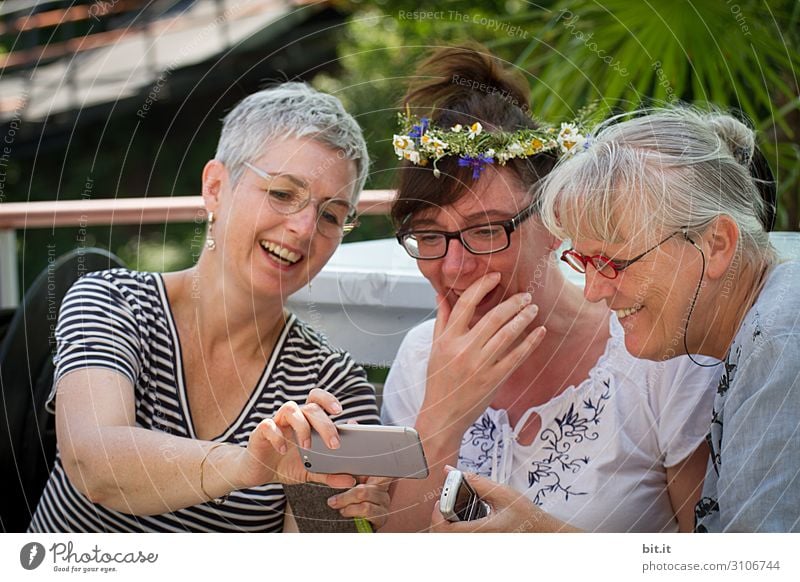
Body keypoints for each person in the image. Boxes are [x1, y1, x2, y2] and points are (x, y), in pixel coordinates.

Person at [380, 46, 721, 533]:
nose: (455, 267)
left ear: (552, 219)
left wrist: (546, 540)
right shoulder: (419, 359)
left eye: (486, 230)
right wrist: (440, 424)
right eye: (430, 235)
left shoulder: (656, 357)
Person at [28, 83, 391, 532]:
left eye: (332, 214)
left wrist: (331, 501)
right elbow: (94, 460)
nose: (303, 228)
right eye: (282, 193)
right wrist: (251, 466)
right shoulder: (113, 301)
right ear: (216, 187)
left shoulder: (333, 384)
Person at [536, 106, 800, 532]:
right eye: (581, 260)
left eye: (612, 261)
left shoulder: (781, 345)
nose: (593, 290)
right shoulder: (766, 321)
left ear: (716, 244)